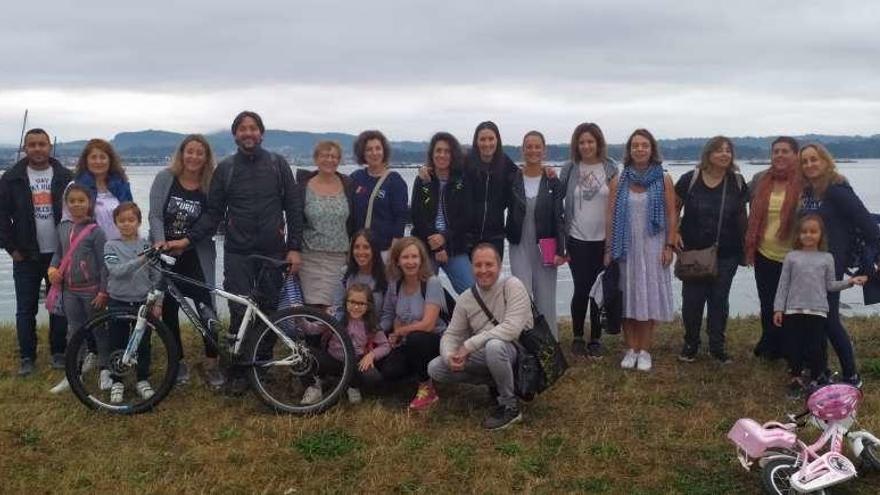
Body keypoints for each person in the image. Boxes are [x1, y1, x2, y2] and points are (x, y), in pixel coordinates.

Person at [167, 111, 303, 392]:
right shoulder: (225, 169)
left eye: (253, 128)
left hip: (272, 250)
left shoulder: (278, 165)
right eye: (243, 129)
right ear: (235, 135)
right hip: (238, 251)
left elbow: (294, 207)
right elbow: (213, 214)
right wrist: (187, 240)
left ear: (261, 133)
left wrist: (295, 248)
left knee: (268, 309)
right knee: (240, 309)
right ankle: (240, 368)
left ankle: (261, 364)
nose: (248, 133)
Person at [427, 243, 533, 430]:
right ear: (471, 267)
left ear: (499, 266)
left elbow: (512, 329)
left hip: (517, 353)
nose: (483, 270)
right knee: (435, 368)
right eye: (478, 265)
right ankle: (497, 381)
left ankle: (510, 406)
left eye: (489, 264)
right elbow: (451, 334)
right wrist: (449, 356)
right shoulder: (466, 298)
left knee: (494, 346)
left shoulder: (512, 285)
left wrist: (469, 345)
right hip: (489, 353)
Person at [799, 143, 880, 387]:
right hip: (811, 265)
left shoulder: (837, 190)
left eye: (815, 159)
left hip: (831, 265)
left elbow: (869, 228)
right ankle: (820, 372)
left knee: (830, 320)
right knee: (817, 319)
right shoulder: (810, 191)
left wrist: (872, 266)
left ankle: (851, 376)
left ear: (825, 161)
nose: (810, 164)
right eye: (805, 161)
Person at [148, 134, 221, 387]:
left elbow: (211, 220)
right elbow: (155, 215)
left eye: (199, 152)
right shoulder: (165, 178)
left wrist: (186, 241)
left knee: (206, 308)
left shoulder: (211, 184)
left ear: (206, 157)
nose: (194, 157)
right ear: (182, 153)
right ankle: (177, 361)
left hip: (196, 253)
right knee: (167, 309)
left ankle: (212, 362)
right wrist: (159, 242)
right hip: (165, 252)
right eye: (189, 151)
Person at [0, 128, 73, 375]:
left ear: (49, 147)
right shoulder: (11, 178)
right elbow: (1, 217)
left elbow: (78, 212)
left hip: (59, 253)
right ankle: (27, 357)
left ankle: (59, 352)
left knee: (59, 306)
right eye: (32, 145)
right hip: (26, 254)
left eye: (42, 144)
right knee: (25, 307)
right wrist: (12, 249)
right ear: (25, 147)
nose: (38, 149)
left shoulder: (65, 176)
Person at [773, 214, 867, 398]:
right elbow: (783, 284)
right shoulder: (791, 257)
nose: (808, 235)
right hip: (793, 311)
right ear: (798, 235)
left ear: (821, 235)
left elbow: (830, 285)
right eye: (804, 232)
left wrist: (850, 282)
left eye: (813, 231)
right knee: (794, 346)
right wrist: (778, 308)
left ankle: (817, 379)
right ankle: (795, 379)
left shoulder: (827, 258)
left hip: (818, 311)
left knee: (815, 347)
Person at [607, 129, 676, 372]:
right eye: (635, 145)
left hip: (653, 246)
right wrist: (608, 248)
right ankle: (631, 348)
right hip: (625, 247)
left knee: (648, 298)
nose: (639, 149)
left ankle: (645, 350)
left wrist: (670, 244)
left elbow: (671, 213)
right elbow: (611, 216)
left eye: (644, 145)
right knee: (627, 298)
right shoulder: (619, 179)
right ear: (629, 150)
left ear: (652, 149)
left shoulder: (663, 178)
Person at [675, 137, 749, 364]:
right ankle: (691, 343)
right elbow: (674, 208)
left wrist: (746, 247)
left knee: (719, 300)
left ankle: (717, 345)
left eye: (728, 150)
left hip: (727, 252)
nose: (724, 154)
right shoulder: (691, 179)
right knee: (692, 301)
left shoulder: (736, 181)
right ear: (708, 154)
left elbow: (741, 216)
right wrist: (674, 233)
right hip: (693, 251)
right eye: (719, 150)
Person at [559, 123, 619, 358]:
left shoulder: (610, 167)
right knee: (581, 289)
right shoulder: (570, 168)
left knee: (598, 290)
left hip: (602, 241)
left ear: (598, 143)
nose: (586, 146)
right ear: (576, 145)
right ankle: (576, 336)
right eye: (581, 142)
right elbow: (557, 200)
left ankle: (595, 338)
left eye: (590, 141)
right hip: (576, 238)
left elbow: (615, 207)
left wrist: (610, 245)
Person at [47, 184, 108, 394]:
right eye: (72, 201)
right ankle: (74, 373)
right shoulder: (62, 227)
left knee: (99, 330)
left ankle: (105, 370)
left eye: (81, 200)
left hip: (91, 290)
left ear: (89, 203)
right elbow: (58, 252)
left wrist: (103, 291)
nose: (76, 205)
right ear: (66, 203)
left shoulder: (96, 231)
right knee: (74, 332)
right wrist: (52, 267)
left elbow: (104, 264)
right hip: (69, 290)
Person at [745, 137, 802, 360]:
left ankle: (791, 346)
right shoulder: (760, 179)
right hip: (764, 252)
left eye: (785, 151)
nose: (779, 155)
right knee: (768, 301)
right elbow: (736, 195)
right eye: (776, 151)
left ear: (795, 155)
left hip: (795, 255)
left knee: (792, 304)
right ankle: (770, 343)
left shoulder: (805, 181)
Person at [506, 131, 565, 338]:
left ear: (544, 150)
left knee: (546, 296)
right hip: (518, 244)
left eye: (537, 146)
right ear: (522, 150)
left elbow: (559, 216)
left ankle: (550, 346)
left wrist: (561, 250)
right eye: (528, 147)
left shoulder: (552, 181)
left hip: (546, 245)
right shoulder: (512, 179)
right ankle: (526, 343)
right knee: (521, 295)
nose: (533, 150)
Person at [379, 237, 447, 410]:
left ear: (421, 259)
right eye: (405, 257)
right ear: (397, 261)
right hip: (406, 341)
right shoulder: (394, 284)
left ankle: (427, 387)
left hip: (434, 341)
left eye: (414, 257)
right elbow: (389, 314)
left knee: (417, 338)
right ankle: (417, 374)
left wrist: (400, 331)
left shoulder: (432, 282)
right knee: (388, 371)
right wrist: (379, 333)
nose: (410, 262)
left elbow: (428, 325)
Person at [104, 202, 160, 403]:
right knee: (117, 342)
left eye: (131, 220)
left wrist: (157, 301)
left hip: (143, 302)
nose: (126, 224)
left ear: (138, 222)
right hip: (118, 300)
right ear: (116, 223)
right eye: (122, 221)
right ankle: (117, 380)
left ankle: (142, 379)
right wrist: (141, 259)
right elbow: (116, 271)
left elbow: (156, 275)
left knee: (143, 343)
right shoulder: (111, 245)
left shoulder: (146, 245)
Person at [301, 283, 390, 405]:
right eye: (352, 302)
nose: (356, 307)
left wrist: (371, 355)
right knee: (303, 354)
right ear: (345, 302)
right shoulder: (336, 317)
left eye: (361, 303)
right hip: (333, 360)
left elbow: (385, 345)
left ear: (368, 305)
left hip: (355, 362)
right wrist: (299, 318)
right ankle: (314, 387)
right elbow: (312, 329)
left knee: (373, 377)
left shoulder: (371, 324)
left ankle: (352, 385)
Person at [410, 132, 475, 293]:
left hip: (454, 246)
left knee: (473, 293)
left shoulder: (463, 180)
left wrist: (444, 237)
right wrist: (437, 246)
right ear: (432, 154)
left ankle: (460, 317)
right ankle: (436, 316)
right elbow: (418, 216)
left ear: (453, 155)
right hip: (426, 247)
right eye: (438, 151)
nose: (442, 155)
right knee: (422, 292)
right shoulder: (423, 180)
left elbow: (466, 217)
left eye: (447, 151)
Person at [299, 141, 355, 308]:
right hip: (310, 257)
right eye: (325, 155)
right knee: (313, 309)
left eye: (334, 156)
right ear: (316, 159)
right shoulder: (303, 187)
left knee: (335, 307)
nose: (330, 160)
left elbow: (354, 220)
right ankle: (311, 336)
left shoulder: (348, 185)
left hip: (339, 259)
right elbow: (296, 221)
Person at [462, 121, 519, 259]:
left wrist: (545, 170)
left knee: (491, 278)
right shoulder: (465, 162)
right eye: (482, 139)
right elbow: (444, 175)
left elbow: (526, 177)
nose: (487, 143)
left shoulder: (505, 163)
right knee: (469, 280)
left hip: (495, 236)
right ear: (476, 141)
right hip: (466, 235)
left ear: (497, 140)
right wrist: (426, 171)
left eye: (491, 139)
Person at [349, 130, 408, 259]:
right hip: (359, 251)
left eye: (378, 148)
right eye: (369, 149)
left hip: (384, 250)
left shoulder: (395, 181)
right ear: (362, 153)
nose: (374, 153)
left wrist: (394, 250)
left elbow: (400, 217)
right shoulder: (355, 178)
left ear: (384, 151)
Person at [72, 139, 133, 240]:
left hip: (120, 247)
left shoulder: (122, 186)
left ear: (110, 160)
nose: (98, 161)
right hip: (89, 247)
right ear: (86, 161)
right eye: (93, 157)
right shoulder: (76, 187)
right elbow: (67, 221)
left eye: (103, 157)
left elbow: (132, 217)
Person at [331, 229, 387, 320]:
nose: (361, 252)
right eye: (357, 247)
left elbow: (388, 315)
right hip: (346, 329)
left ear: (374, 249)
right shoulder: (345, 273)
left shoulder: (386, 276)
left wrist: (376, 332)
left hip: (376, 329)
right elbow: (338, 307)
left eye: (366, 247)